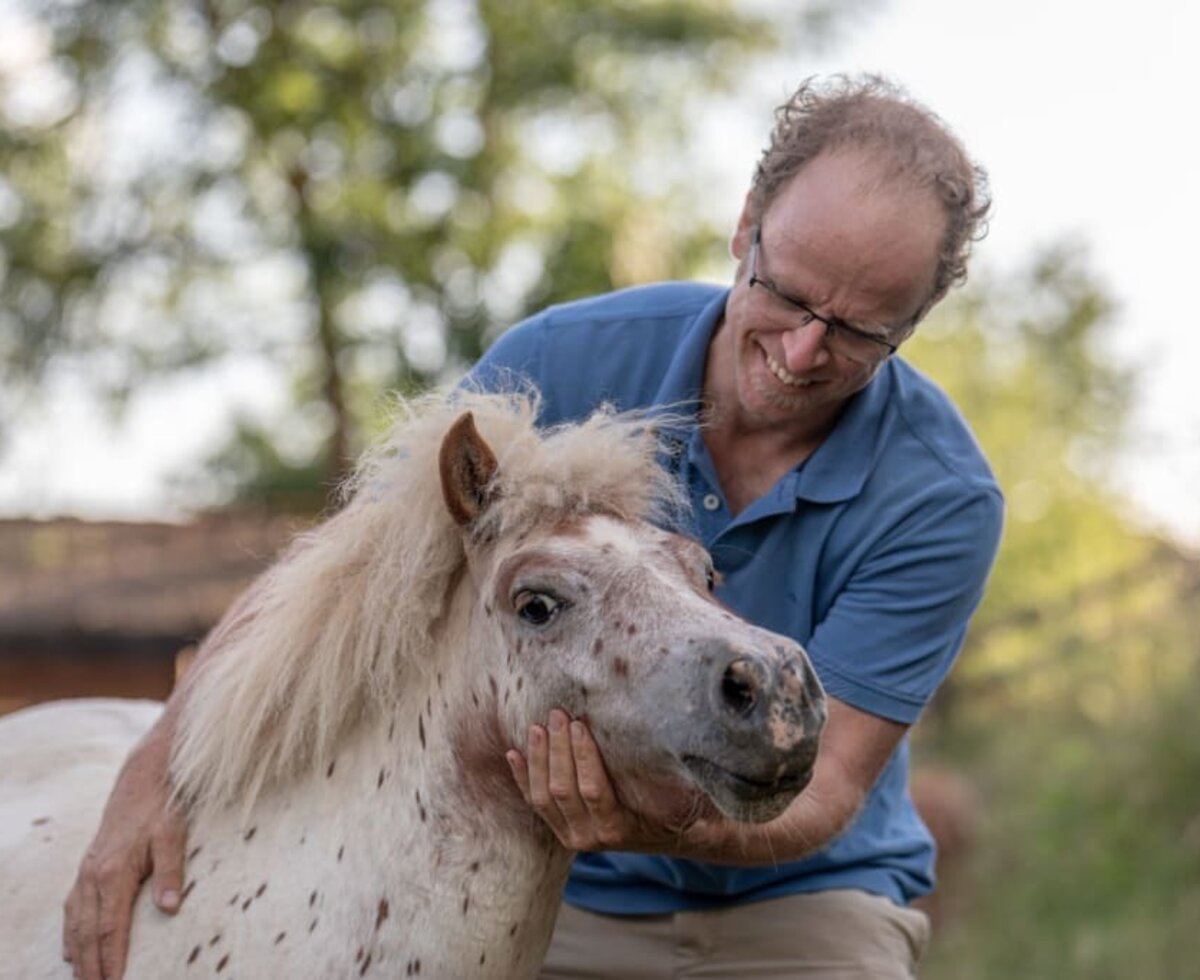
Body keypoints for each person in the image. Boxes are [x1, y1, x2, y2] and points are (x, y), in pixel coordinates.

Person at [63, 74, 1003, 979]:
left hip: (803, 904)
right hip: (557, 887)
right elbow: (346, 580)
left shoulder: (942, 497)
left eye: (857, 332)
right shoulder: (559, 361)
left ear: (915, 322)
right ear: (746, 225)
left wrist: (636, 815)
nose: (802, 352)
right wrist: (154, 768)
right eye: (788, 294)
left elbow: (828, 786)